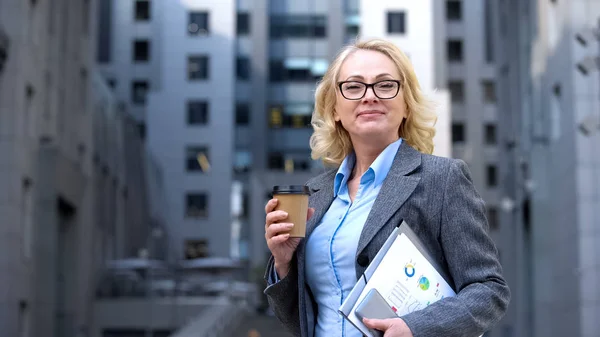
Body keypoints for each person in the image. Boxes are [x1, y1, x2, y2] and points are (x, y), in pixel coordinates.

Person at [263, 38, 510, 337]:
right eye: (353, 86)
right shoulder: (315, 193)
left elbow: (489, 291)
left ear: (406, 104)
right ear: (335, 109)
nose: (369, 96)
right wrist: (283, 261)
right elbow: (299, 317)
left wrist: (414, 328)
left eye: (385, 85)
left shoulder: (442, 179)